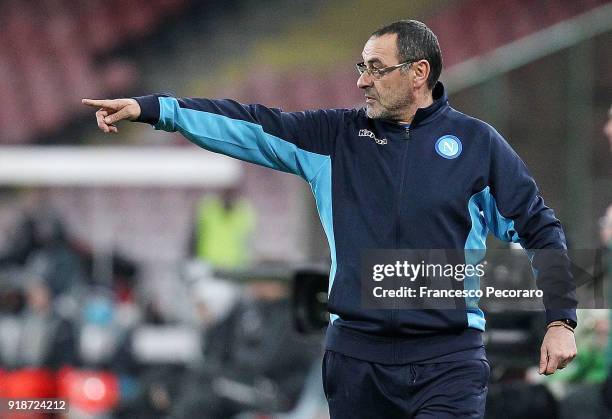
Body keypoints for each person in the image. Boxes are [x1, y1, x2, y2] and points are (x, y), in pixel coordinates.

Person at [83, 20, 578, 418]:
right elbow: (247, 123)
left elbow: (539, 229)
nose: (361, 80)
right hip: (356, 360)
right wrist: (155, 109)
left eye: (376, 68)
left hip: (448, 360)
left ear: (419, 72)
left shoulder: (477, 146)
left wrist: (560, 319)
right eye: (359, 67)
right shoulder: (333, 137)